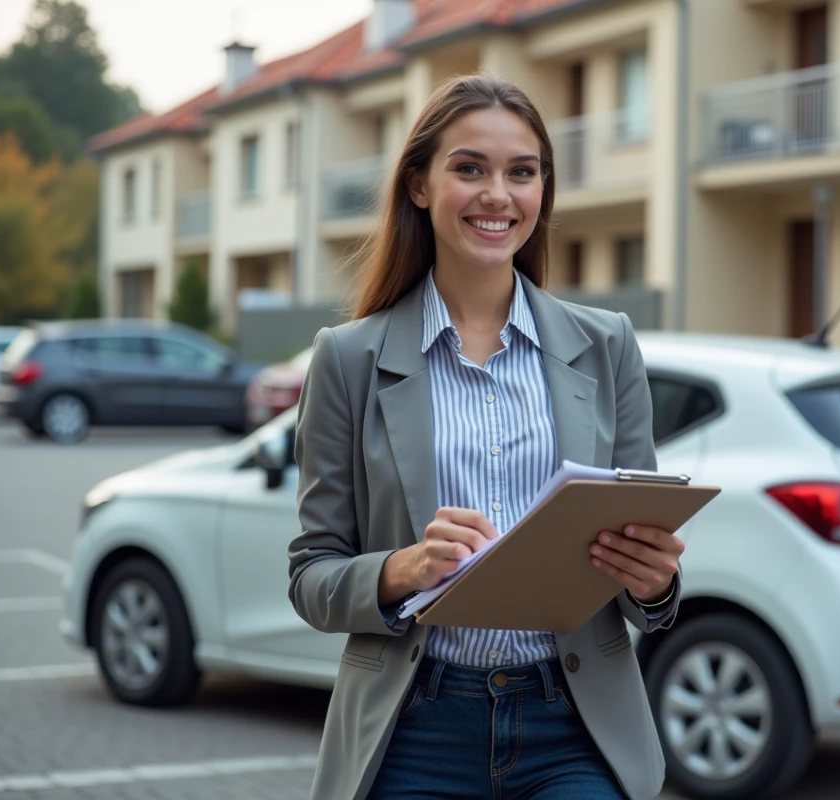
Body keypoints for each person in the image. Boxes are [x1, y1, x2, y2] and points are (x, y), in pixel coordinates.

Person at [288, 73, 685, 800]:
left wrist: (655, 584)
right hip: (413, 730)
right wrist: (402, 570)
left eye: (521, 172)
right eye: (469, 168)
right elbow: (312, 575)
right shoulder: (347, 358)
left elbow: (640, 572)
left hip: (573, 728)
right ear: (419, 186)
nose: (498, 194)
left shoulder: (607, 346)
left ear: (542, 191)